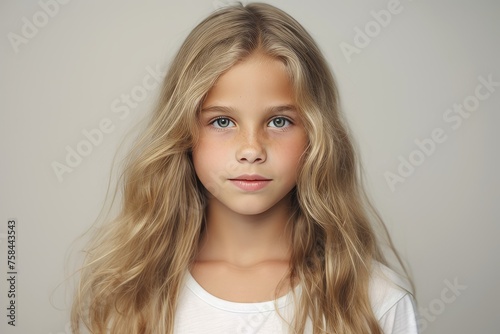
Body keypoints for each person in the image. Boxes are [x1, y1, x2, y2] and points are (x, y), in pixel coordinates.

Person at [71, 2, 418, 333]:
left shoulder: (374, 300)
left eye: (279, 121)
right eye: (222, 121)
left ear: (316, 134)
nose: (251, 149)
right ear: (183, 132)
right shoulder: (129, 294)